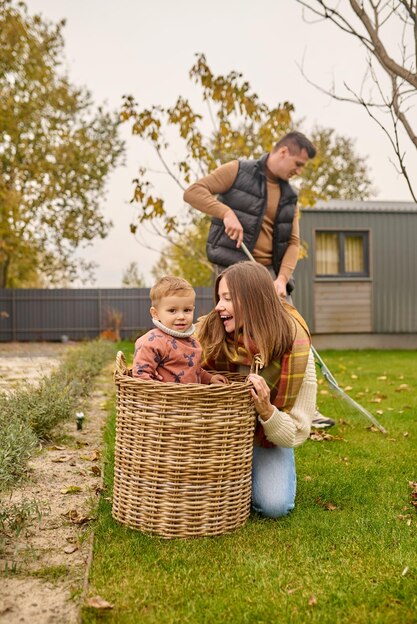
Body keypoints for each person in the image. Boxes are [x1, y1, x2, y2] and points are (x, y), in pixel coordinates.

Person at [184, 130, 335, 429]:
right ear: (282, 152)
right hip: (234, 267)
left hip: (270, 275)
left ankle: (301, 407)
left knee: (292, 334)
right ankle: (222, 394)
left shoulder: (290, 195)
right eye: (298, 163)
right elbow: (193, 192)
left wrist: (281, 279)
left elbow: (293, 242)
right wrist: (225, 211)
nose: (298, 171)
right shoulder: (238, 170)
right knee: (228, 335)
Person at [197, 261, 317, 518]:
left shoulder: (295, 347)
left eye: (228, 298)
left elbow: (297, 432)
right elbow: (176, 357)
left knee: (274, 506)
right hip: (219, 437)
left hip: (267, 438)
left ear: (253, 301)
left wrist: (267, 410)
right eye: (219, 298)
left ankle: (254, 470)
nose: (218, 307)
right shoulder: (210, 331)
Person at [132, 276, 227, 385]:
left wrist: (209, 378)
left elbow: (192, 370)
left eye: (187, 310)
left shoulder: (193, 342)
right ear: (155, 314)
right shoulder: (152, 342)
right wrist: (157, 392)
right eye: (172, 311)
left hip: (190, 399)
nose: (181, 316)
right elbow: (141, 374)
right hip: (163, 399)